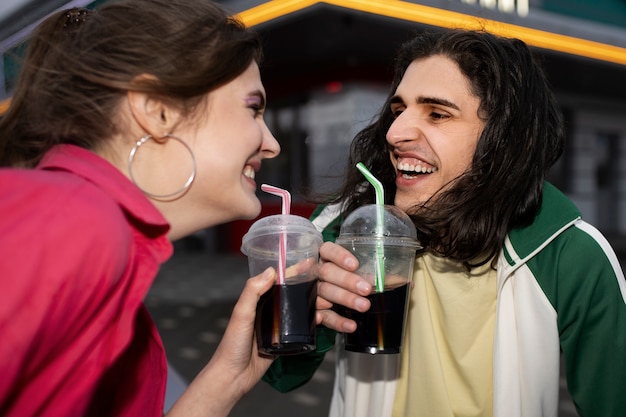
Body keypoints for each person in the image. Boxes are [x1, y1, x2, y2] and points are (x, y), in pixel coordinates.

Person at [262, 28, 626, 417]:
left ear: (502, 139)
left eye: (437, 113)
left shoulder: (568, 253)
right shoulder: (348, 227)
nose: (395, 132)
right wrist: (309, 312)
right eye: (399, 110)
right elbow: (281, 374)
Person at [0, 1, 286, 416]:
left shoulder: (98, 245)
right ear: (158, 110)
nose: (272, 143)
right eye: (252, 109)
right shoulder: (72, 219)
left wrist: (228, 376)